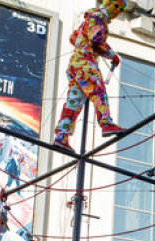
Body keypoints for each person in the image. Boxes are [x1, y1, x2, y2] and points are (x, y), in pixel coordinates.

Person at [54, 0, 127, 149]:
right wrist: (112, 55)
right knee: (98, 90)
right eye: (116, 7)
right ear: (109, 3)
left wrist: (83, 44)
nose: (117, 12)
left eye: (120, 10)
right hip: (85, 63)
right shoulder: (100, 16)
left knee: (73, 102)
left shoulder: (90, 17)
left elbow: (73, 38)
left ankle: (61, 136)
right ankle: (106, 122)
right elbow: (97, 41)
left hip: (75, 64)